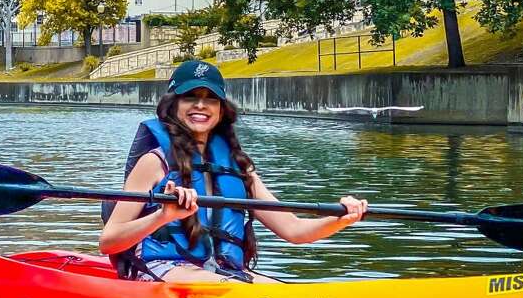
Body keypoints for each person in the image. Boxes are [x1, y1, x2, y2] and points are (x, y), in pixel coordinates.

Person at [99, 60, 367, 284]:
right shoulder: (154, 163)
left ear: (221, 109)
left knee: (288, 294)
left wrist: (341, 218)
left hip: (224, 272)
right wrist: (162, 216)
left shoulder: (239, 168)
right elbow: (109, 242)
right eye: (190, 97)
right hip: (162, 269)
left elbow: (295, 230)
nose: (201, 105)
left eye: (211, 99)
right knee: (234, 288)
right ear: (173, 105)